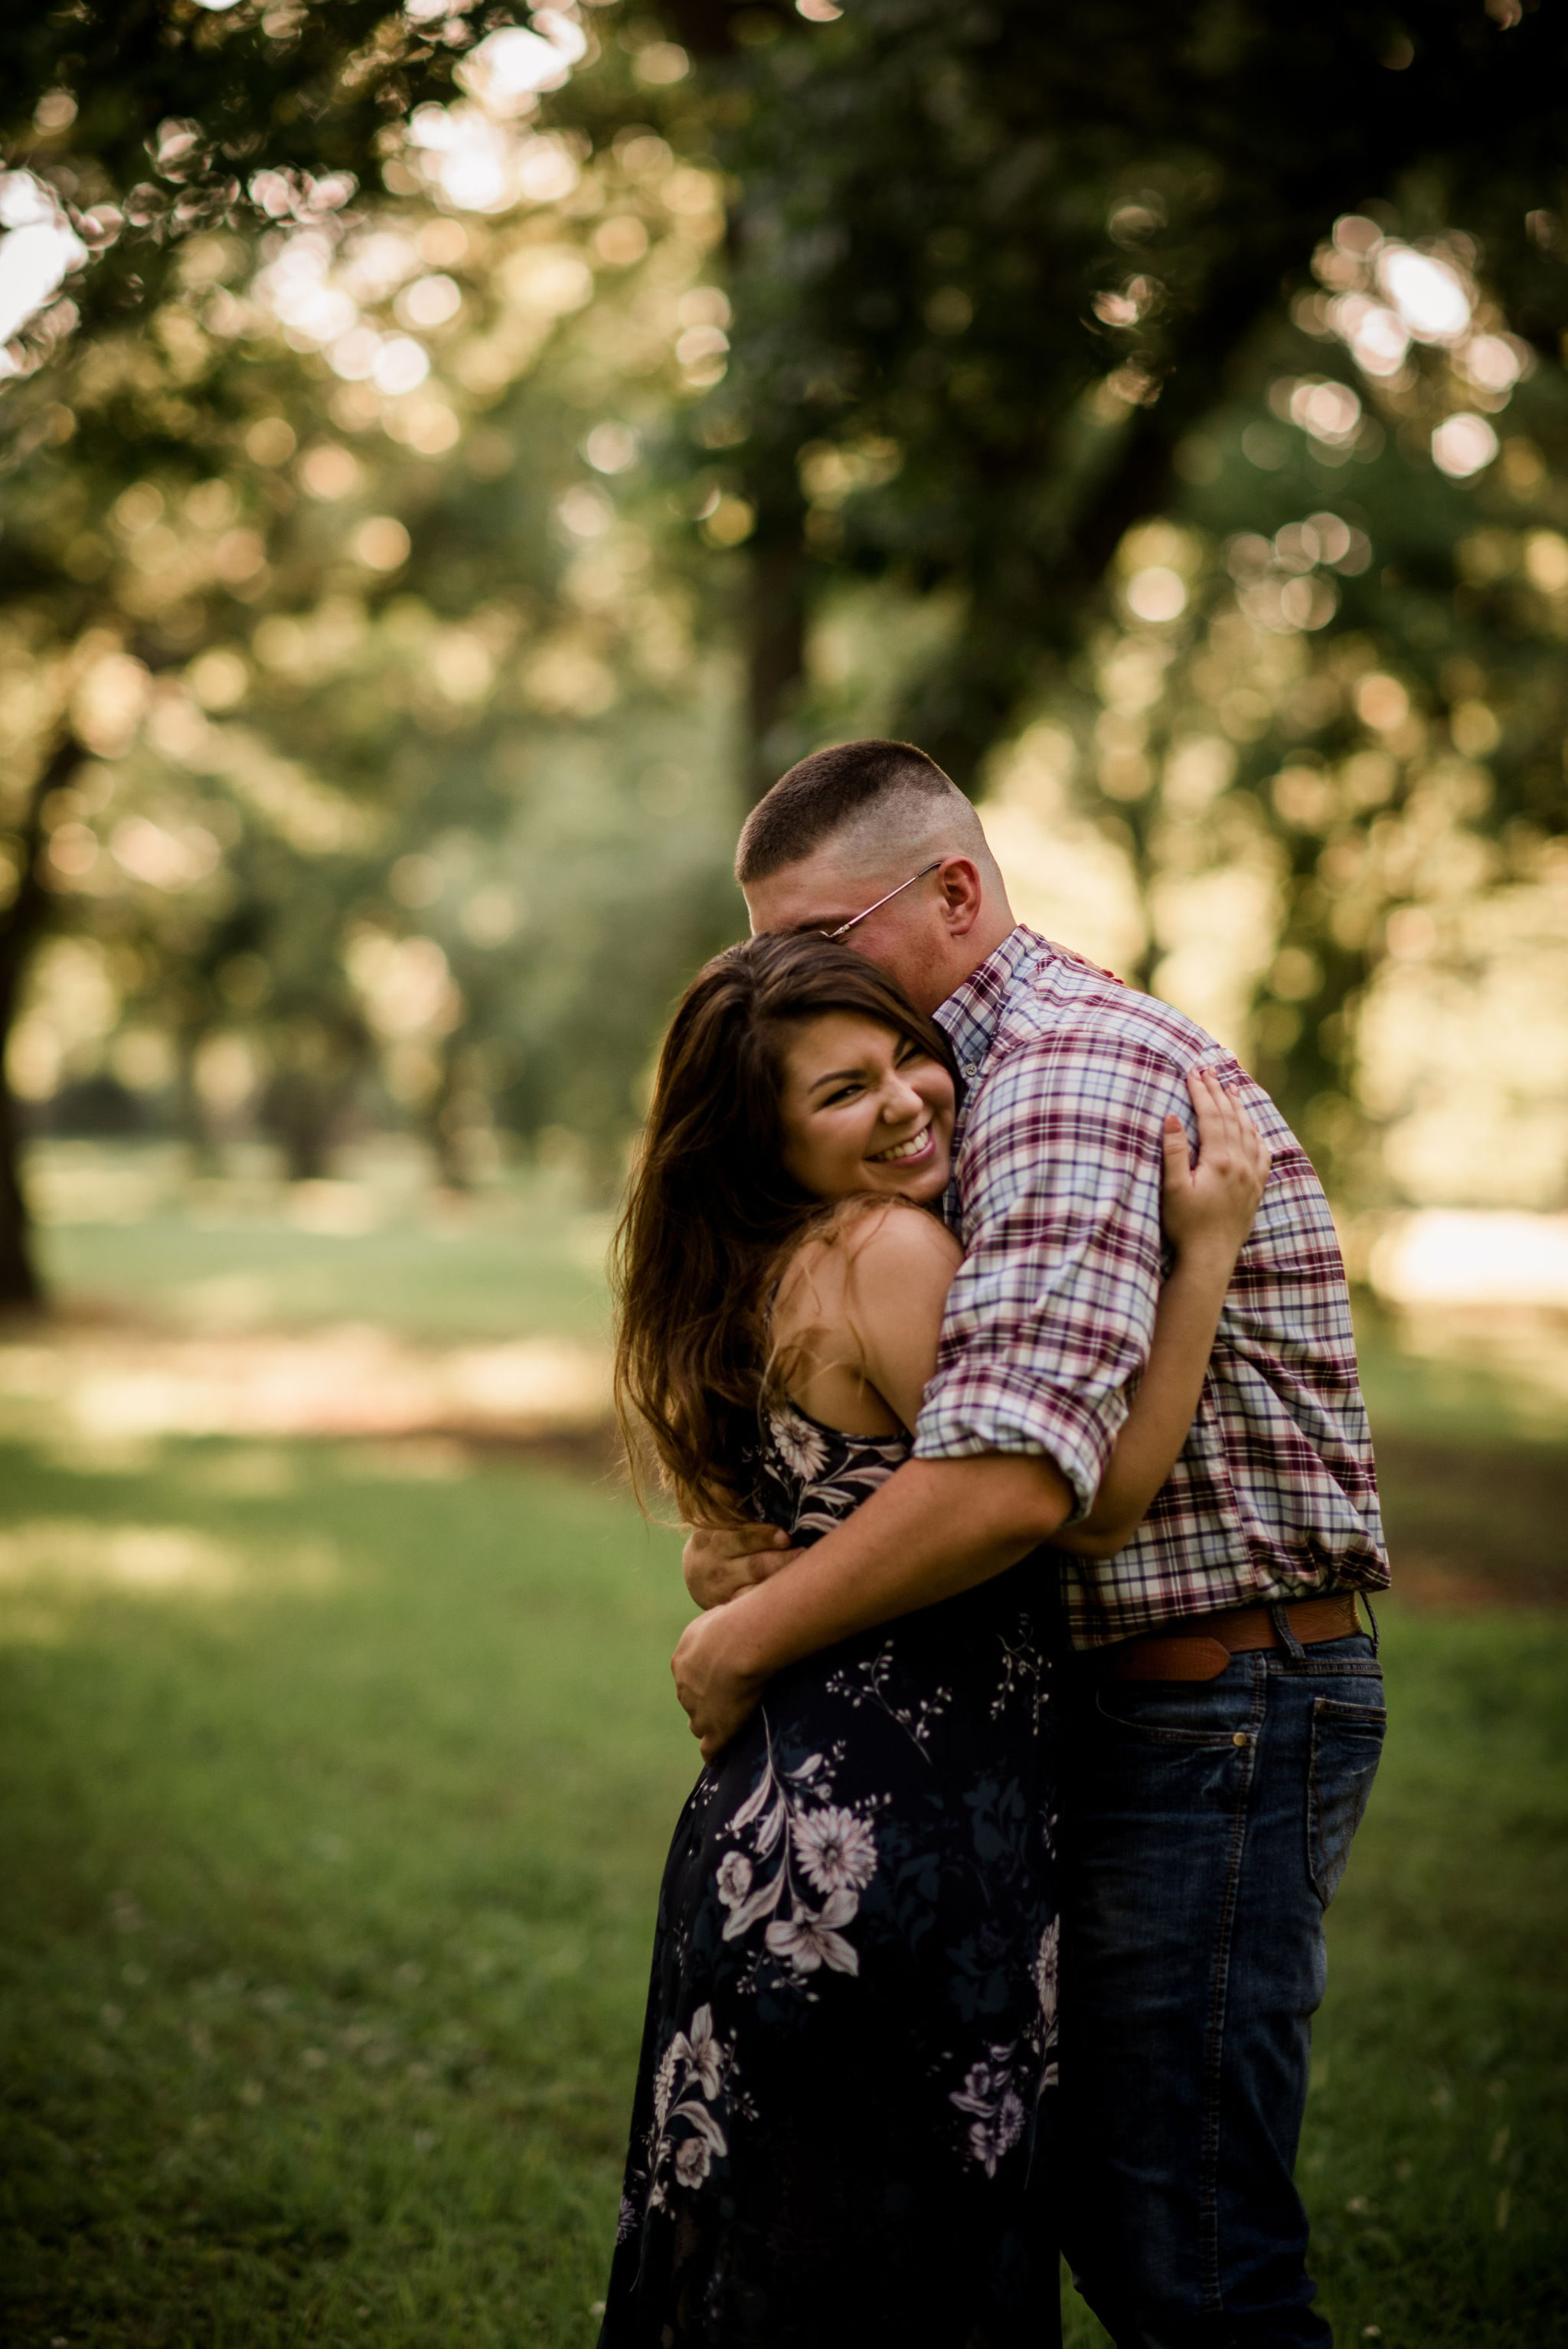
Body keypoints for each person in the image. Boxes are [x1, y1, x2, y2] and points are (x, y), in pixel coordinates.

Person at [675, 740, 1390, 2349]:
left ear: (949, 890)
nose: (787, 983)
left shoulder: (1066, 1069)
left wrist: (744, 1634)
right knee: (1072, 2204)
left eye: (818, 939)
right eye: (759, 957)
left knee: (1182, 2238)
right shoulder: (952, 1088)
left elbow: (1013, 1482)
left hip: (1205, 1707)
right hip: (1094, 1710)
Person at [599, 930, 1270, 2349]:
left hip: (768, 1829)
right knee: (901, 2271)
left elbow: (753, 1545)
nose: (905, 1097)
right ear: (767, 1142)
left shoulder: (753, 1277)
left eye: (906, 1052)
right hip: (902, 1845)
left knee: (771, 2262)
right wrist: (1203, 1251)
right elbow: (1082, 1503)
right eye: (841, 1091)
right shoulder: (895, 1249)